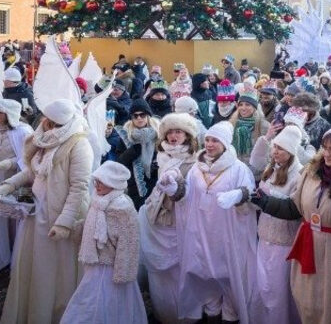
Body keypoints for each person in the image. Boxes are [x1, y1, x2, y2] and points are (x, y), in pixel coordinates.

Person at [252, 127, 331, 324]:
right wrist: (265, 202)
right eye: (324, 147)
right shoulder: (311, 173)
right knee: (307, 301)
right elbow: (294, 207)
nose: (327, 153)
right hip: (309, 245)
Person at [0, 99, 93, 324]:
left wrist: (64, 222)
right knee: (37, 269)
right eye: (45, 119)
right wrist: (10, 184)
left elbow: (79, 187)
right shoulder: (42, 138)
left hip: (61, 217)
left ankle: (57, 316)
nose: (45, 123)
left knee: (58, 273)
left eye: (51, 121)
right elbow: (33, 172)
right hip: (37, 214)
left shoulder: (78, 144)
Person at [159, 121, 257, 323]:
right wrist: (173, 190)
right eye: (208, 140)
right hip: (201, 232)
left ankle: (230, 316)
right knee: (203, 276)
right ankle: (212, 313)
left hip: (227, 234)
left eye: (215, 141)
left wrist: (238, 195)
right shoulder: (197, 168)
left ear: (225, 143)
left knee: (229, 277)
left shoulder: (238, 169)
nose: (210, 144)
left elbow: (251, 197)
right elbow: (186, 196)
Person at [60, 162, 147, 324]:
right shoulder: (98, 200)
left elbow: (129, 243)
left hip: (111, 268)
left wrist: (123, 273)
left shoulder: (123, 208)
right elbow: (88, 224)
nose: (97, 185)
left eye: (102, 181)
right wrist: (72, 230)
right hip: (94, 263)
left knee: (105, 301)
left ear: (114, 183)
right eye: (96, 181)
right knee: (89, 299)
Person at [137, 113, 199, 324]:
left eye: (178, 132)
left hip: (180, 220)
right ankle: (163, 311)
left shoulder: (195, 159)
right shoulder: (163, 155)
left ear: (188, 135)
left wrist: (176, 190)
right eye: (170, 132)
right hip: (159, 217)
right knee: (159, 275)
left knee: (178, 270)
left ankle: (183, 314)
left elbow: (192, 193)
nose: (173, 136)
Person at [253, 126, 303, 323]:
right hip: (265, 235)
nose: (275, 152)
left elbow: (295, 207)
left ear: (291, 152)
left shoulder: (298, 175)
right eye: (274, 147)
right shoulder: (271, 169)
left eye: (281, 148)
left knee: (278, 292)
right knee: (264, 287)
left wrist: (269, 198)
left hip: (284, 241)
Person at [0, 99, 33, 269]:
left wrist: (9, 163)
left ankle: (14, 254)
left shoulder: (23, 131)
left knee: (12, 219)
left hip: (15, 180)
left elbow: (27, 158)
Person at [116, 99, 161, 209]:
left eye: (142, 115)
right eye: (135, 116)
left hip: (155, 182)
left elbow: (165, 155)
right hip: (134, 184)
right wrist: (132, 152)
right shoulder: (126, 136)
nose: (139, 118)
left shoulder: (159, 134)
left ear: (148, 116)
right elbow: (119, 163)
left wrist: (156, 166)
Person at [229, 87, 269, 165]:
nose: (243, 108)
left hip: (254, 170)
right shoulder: (232, 123)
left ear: (254, 108)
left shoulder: (264, 126)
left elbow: (266, 153)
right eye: (241, 105)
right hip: (234, 166)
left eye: (247, 105)